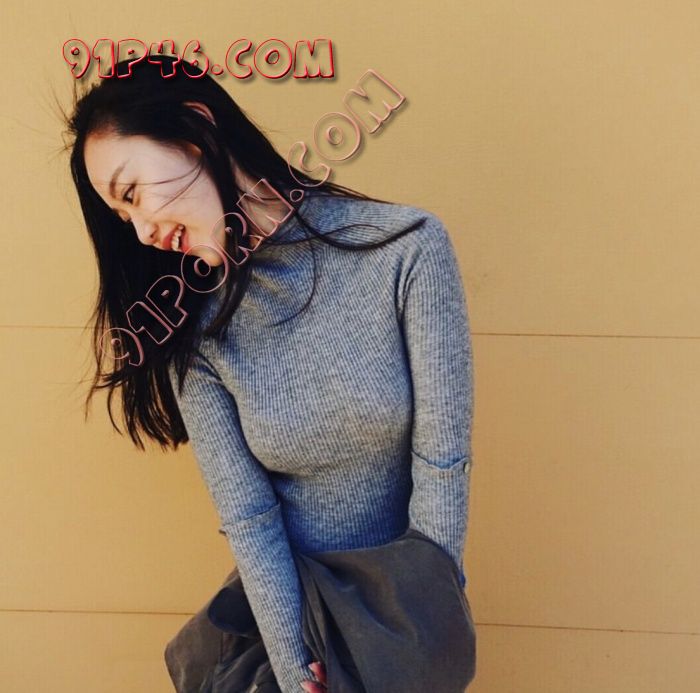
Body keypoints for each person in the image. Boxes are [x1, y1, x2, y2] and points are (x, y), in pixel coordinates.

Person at [61, 55, 476, 692]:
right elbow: (251, 518)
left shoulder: (407, 249)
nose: (141, 232)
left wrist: (416, 636)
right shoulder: (195, 331)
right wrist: (299, 669)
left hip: (407, 626)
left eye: (132, 192)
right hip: (290, 631)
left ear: (195, 130)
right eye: (122, 217)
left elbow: (443, 461)